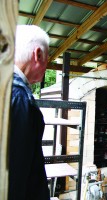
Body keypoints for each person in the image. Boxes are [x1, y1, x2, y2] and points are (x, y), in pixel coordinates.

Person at [9, 25, 50, 200]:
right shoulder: (19, 97)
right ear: (38, 55)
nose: (47, 64)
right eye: (48, 58)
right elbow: (15, 174)